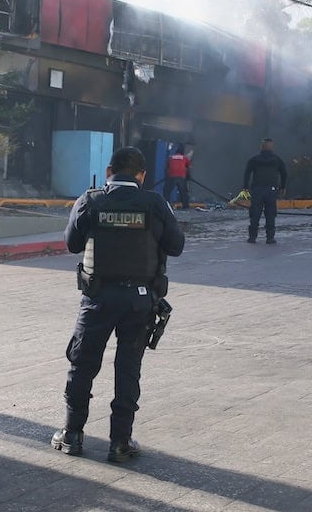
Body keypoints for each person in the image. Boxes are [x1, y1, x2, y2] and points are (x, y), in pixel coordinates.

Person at [53, 146, 185, 463]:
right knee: (128, 369)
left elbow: (72, 244)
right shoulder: (154, 203)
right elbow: (176, 246)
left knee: (82, 364)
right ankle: (120, 442)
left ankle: (72, 435)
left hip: (97, 298)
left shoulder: (91, 200)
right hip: (139, 302)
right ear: (141, 176)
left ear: (110, 171)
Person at [242, 137, 288, 244]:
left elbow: (247, 173)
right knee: (270, 214)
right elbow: (284, 173)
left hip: (257, 190)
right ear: (272, 147)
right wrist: (283, 187)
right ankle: (270, 238)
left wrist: (245, 187)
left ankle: (252, 237)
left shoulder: (254, 159)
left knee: (255, 214)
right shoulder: (276, 159)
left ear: (261, 146)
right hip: (271, 190)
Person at [163, 144, 191, 210]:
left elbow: (167, 168)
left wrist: (167, 176)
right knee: (184, 192)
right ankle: (186, 206)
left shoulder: (171, 157)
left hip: (172, 176)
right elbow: (188, 168)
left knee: (167, 191)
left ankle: (165, 205)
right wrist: (188, 176)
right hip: (181, 176)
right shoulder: (185, 158)